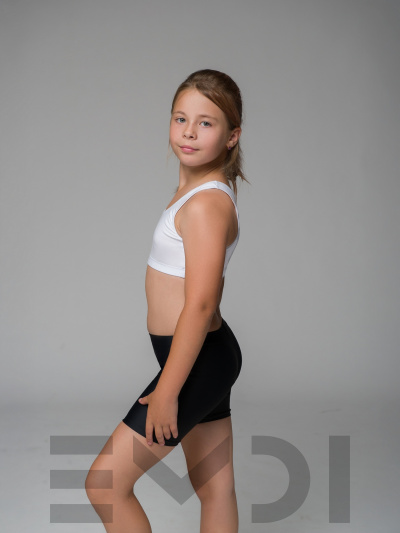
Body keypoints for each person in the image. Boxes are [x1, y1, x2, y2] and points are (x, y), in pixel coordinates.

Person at [85, 69, 249, 533]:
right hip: (204, 355)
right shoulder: (196, 193)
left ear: (232, 136)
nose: (189, 132)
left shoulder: (206, 205)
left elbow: (200, 304)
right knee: (215, 488)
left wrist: (167, 392)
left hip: (196, 360)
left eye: (206, 123)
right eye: (181, 118)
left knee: (105, 484)